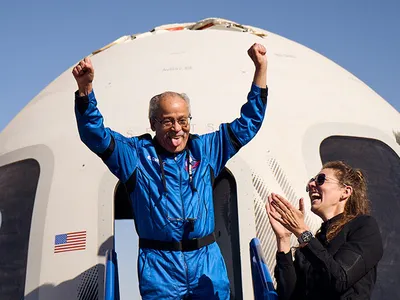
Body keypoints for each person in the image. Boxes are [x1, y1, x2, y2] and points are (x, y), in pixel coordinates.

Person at [73, 43, 268, 299]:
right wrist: (85, 91)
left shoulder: (207, 149)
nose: (177, 128)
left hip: (206, 264)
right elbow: (94, 135)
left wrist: (261, 69)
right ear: (153, 123)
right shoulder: (135, 155)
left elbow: (248, 123)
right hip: (159, 269)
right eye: (168, 121)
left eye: (183, 120)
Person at [266, 160, 383, 299]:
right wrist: (283, 239)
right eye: (311, 181)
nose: (311, 185)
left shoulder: (364, 227)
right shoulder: (314, 241)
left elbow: (339, 279)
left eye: (321, 180)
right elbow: (289, 295)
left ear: (345, 192)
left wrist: (303, 233)